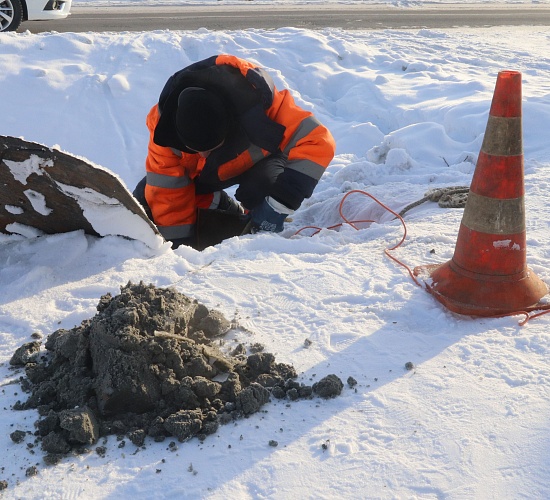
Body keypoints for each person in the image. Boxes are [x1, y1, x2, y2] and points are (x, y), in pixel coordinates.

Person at [133, 54, 336, 249]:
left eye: (211, 148)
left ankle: (257, 226)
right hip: (209, 174)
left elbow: (318, 141)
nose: (203, 156)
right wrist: (178, 246)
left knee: (262, 184)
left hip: (259, 164)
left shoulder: (261, 104)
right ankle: (220, 206)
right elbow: (167, 192)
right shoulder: (163, 129)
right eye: (196, 150)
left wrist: (279, 204)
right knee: (147, 201)